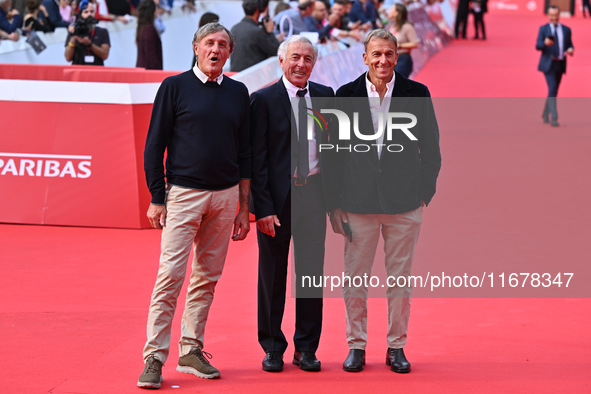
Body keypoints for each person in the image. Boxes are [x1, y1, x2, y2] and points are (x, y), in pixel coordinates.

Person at [138, 22, 251, 390]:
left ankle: (191, 349)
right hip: (183, 194)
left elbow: (246, 153)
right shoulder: (174, 87)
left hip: (226, 196)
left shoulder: (238, 92)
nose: (215, 49)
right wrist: (158, 196)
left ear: (229, 52)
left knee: (206, 278)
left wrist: (242, 205)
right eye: (209, 43)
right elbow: (154, 145)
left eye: (222, 44)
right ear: (196, 47)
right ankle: (154, 357)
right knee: (170, 276)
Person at [329, 29, 441, 373]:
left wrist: (423, 194)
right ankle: (356, 345)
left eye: (389, 54)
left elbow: (431, 150)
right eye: (376, 54)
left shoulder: (417, 93)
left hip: (404, 205)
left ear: (397, 56)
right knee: (355, 279)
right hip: (357, 204)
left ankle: (396, 346)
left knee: (400, 279)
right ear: (364, 58)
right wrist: (334, 203)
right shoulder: (344, 95)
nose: (382, 61)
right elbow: (333, 153)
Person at [250, 35, 334, 373]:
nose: (301, 64)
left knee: (311, 276)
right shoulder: (264, 100)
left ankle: (306, 348)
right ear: (281, 61)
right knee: (272, 275)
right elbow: (257, 161)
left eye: (308, 59)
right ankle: (272, 347)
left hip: (314, 194)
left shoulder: (327, 97)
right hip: (277, 201)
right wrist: (263, 207)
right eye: (295, 57)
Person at [536, 5, 574, 127]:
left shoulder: (566, 30)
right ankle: (554, 117)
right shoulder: (543, 29)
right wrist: (545, 44)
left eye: (556, 15)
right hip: (548, 64)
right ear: (548, 15)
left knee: (554, 90)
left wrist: (570, 49)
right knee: (552, 88)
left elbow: (570, 44)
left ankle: (545, 113)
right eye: (551, 15)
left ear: (559, 15)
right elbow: (538, 45)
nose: (553, 17)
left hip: (560, 63)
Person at [230, 0, 280, 72]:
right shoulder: (257, 32)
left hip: (236, 76)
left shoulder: (234, 28)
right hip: (253, 77)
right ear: (257, 10)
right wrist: (270, 32)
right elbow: (276, 51)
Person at [64, 0, 110, 65]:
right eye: (86, 12)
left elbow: (105, 55)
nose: (89, 14)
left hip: (96, 70)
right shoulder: (74, 30)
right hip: (78, 70)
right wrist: (73, 38)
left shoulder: (103, 31)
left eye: (92, 11)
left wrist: (89, 44)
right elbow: (68, 58)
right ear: (80, 14)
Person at [387, 3, 418, 78]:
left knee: (398, 83)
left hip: (403, 58)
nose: (389, 11)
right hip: (391, 60)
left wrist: (400, 46)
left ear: (397, 13)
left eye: (391, 10)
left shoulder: (407, 26)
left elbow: (415, 43)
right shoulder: (392, 26)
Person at [135, 0, 162, 69]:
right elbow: (151, 55)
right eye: (156, 8)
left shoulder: (142, 27)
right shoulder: (149, 29)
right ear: (152, 11)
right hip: (149, 71)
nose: (158, 10)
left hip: (143, 69)